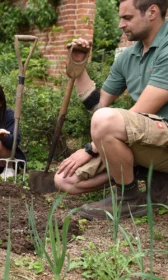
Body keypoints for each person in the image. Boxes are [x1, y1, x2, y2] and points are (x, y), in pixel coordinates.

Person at [54, 0, 168, 219]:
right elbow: (99, 107)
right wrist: (79, 68)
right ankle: (147, 177)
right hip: (144, 139)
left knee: (105, 121)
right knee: (64, 180)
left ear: (152, 12)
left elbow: (139, 112)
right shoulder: (129, 56)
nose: (120, 25)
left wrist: (89, 149)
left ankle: (128, 197)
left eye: (127, 18)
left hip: (163, 138)